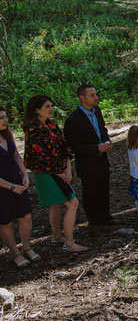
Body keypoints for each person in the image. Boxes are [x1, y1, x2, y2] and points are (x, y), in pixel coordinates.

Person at [23, 95, 88, 252]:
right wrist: (59, 174)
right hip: (46, 174)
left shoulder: (52, 125)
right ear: (37, 110)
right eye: (47, 106)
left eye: (52, 105)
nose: (51, 109)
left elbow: (65, 147)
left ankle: (58, 236)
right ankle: (69, 243)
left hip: (61, 170)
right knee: (73, 203)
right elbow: (37, 158)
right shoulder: (32, 130)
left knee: (57, 205)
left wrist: (67, 169)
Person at [63, 84, 113, 226]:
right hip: (87, 163)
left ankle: (105, 217)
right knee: (91, 191)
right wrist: (97, 147)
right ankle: (94, 221)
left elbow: (102, 128)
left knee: (104, 187)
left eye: (95, 94)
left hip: (102, 159)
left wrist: (106, 140)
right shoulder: (73, 120)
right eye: (92, 95)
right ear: (82, 98)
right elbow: (75, 147)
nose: (96, 97)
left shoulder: (97, 110)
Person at [0, 106, 38, 267]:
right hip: (3, 187)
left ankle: (27, 247)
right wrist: (11, 187)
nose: (5, 120)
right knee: (6, 222)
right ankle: (15, 253)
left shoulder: (7, 135)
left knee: (26, 216)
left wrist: (24, 174)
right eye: (1, 118)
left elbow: (16, 155)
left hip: (17, 180)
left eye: (5, 116)